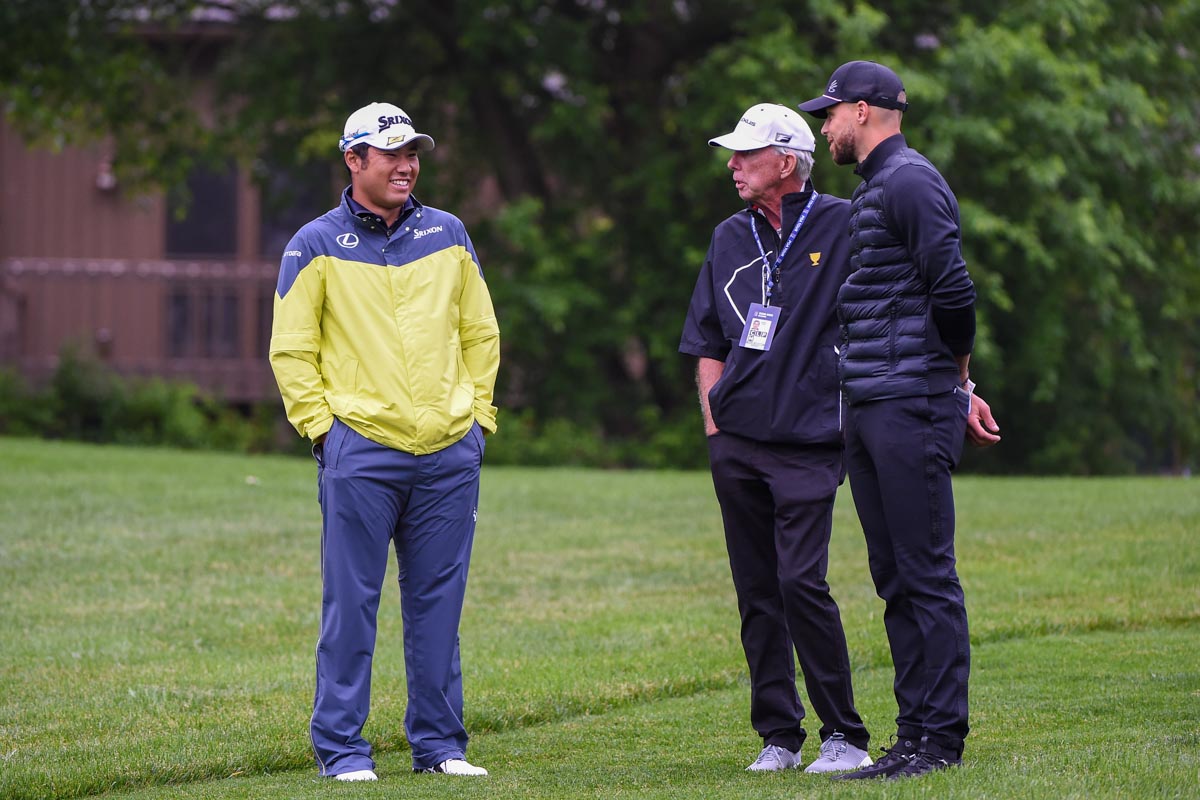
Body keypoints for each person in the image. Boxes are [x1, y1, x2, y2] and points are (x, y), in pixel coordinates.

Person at [269, 102, 500, 782]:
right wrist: (322, 430)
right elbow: (292, 350)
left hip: (448, 451)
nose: (407, 165)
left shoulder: (450, 233)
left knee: (439, 607)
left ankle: (440, 747)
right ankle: (341, 750)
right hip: (360, 450)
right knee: (352, 605)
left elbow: (480, 332)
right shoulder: (313, 242)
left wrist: (477, 417)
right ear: (354, 159)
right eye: (392, 152)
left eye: (414, 152)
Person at [798, 61, 1002, 780]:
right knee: (895, 579)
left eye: (829, 115)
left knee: (925, 576)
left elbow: (954, 291)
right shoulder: (877, 189)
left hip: (909, 403)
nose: (823, 128)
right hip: (875, 403)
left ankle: (939, 742)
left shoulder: (910, 181)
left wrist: (957, 383)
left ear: (862, 111)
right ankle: (911, 737)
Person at [679, 103, 873, 775]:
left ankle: (844, 736)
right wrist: (714, 427)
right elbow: (706, 339)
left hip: (813, 440)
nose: (732, 164)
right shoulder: (728, 235)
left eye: (746, 154)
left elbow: (898, 301)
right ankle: (779, 738)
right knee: (757, 590)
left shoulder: (844, 224)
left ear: (785, 163)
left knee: (799, 582)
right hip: (737, 443)